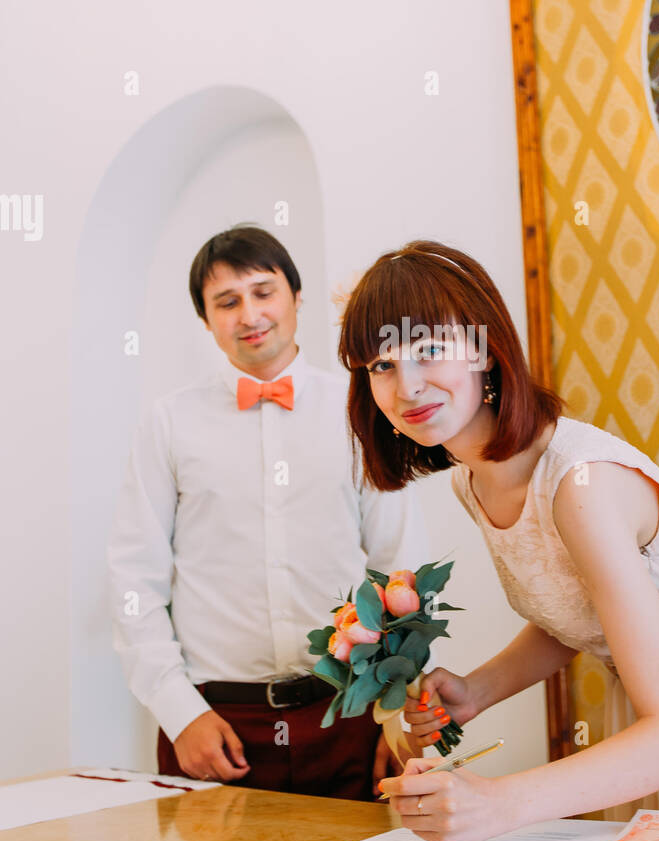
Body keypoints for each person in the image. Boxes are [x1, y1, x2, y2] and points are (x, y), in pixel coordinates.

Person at [336, 239, 659, 841]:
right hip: (642, 716)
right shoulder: (473, 484)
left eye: (429, 351)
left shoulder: (581, 485)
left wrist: (499, 802)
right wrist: (478, 690)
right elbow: (577, 611)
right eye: (382, 366)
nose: (407, 387)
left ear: (486, 351)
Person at [108, 224, 428, 800]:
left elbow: (397, 567)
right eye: (226, 302)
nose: (249, 313)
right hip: (217, 723)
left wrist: (394, 710)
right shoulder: (168, 422)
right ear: (207, 322)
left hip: (347, 712)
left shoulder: (363, 410)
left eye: (263, 291)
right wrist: (180, 714)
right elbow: (135, 579)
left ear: (297, 297)